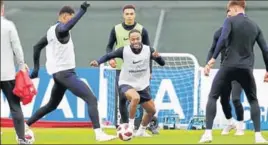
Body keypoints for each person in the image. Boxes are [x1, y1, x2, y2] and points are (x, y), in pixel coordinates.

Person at [27, 2, 116, 142]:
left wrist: (36, 69)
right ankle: (99, 134)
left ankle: (24, 125)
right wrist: (82, 11)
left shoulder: (51, 31)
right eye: (70, 18)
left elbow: (36, 47)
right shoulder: (61, 29)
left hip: (58, 75)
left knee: (52, 105)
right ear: (64, 16)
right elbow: (67, 26)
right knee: (91, 99)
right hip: (65, 74)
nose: (71, 21)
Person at [200, 0, 268, 143]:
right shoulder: (255, 26)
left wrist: (213, 58)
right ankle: (258, 136)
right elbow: (265, 50)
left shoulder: (229, 21)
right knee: (253, 100)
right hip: (246, 69)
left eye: (229, 11)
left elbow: (223, 38)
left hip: (228, 66)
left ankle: (207, 134)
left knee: (213, 96)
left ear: (235, 8)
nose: (228, 14)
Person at [90, 29, 165, 137]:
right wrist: (98, 61)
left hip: (142, 85)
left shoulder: (148, 50)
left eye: (137, 39)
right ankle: (130, 127)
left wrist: (158, 57)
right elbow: (108, 56)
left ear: (141, 39)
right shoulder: (123, 50)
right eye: (132, 39)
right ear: (129, 40)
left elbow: (162, 63)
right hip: (126, 83)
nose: (135, 41)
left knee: (151, 111)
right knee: (135, 98)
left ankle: (141, 131)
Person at [105, 4, 153, 131]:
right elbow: (109, 47)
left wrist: (150, 71)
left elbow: (149, 52)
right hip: (122, 70)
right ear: (123, 15)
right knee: (122, 98)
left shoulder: (142, 30)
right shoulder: (116, 29)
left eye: (131, 13)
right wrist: (110, 58)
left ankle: (143, 127)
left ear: (135, 15)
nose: (129, 16)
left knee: (143, 98)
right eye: (127, 14)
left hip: (139, 71)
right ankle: (124, 125)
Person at [204, 12, 244, 136]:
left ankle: (240, 126)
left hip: (239, 69)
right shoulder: (219, 33)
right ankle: (230, 122)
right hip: (225, 70)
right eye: (228, 16)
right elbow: (212, 49)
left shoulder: (242, 32)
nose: (230, 18)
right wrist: (207, 64)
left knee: (236, 99)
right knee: (223, 100)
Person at [0, 0, 29, 144]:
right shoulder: (8, 26)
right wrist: (22, 65)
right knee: (15, 107)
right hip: (7, 74)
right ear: (2, 9)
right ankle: (21, 139)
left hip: (7, 73)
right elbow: (17, 48)